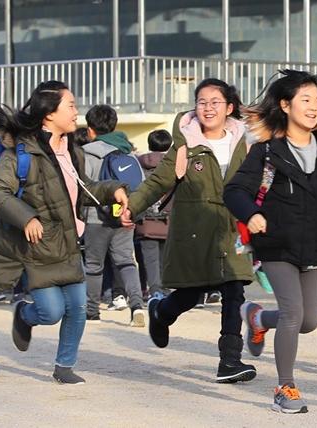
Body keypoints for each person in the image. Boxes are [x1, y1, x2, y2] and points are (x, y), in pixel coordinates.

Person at [0, 80, 129, 384]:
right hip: (38, 245)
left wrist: (114, 190)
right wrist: (27, 217)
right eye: (70, 106)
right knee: (51, 311)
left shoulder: (72, 151)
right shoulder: (21, 153)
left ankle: (64, 366)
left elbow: (82, 190)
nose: (76, 112)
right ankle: (24, 315)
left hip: (68, 243)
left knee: (79, 307)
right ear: (48, 114)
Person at [224, 69, 317, 414]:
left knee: (308, 321)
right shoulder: (267, 152)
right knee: (293, 313)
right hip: (275, 242)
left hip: (311, 244)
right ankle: (285, 387)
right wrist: (250, 214)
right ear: (285, 105)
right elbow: (236, 190)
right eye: (306, 100)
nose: (314, 107)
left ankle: (257, 318)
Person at [120, 77, 257, 384]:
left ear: (229, 108)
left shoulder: (245, 144)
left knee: (234, 291)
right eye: (202, 102)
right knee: (191, 293)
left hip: (233, 233)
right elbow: (157, 182)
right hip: (197, 232)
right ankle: (162, 312)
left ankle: (230, 361)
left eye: (215, 102)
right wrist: (133, 206)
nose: (208, 108)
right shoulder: (185, 145)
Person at [81, 104, 145, 324]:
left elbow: (82, 188)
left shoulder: (85, 154)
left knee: (93, 266)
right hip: (123, 217)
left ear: (90, 130)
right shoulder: (127, 153)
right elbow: (141, 188)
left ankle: (91, 311)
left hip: (94, 219)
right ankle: (136, 305)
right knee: (127, 262)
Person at [135, 129, 172, 298]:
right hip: (168, 219)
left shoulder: (137, 163)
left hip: (145, 220)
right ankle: (165, 289)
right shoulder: (173, 164)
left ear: (149, 144)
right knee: (165, 259)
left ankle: (155, 291)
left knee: (149, 260)